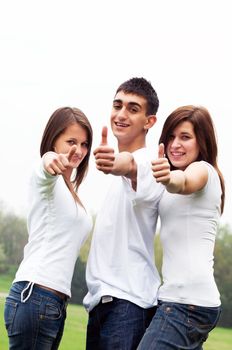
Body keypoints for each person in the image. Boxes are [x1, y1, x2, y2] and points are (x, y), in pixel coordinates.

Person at [83, 77, 164, 349]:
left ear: (149, 121)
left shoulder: (150, 164)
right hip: (102, 304)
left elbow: (128, 164)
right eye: (117, 105)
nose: (121, 114)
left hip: (127, 305)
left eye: (132, 108)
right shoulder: (116, 185)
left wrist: (112, 162)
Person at [4, 106, 93, 349]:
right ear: (53, 141)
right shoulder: (47, 180)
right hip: (35, 296)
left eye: (85, 144)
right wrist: (49, 159)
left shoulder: (68, 189)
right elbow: (42, 169)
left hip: (52, 302)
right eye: (71, 141)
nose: (79, 150)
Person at [138, 105, 225, 350]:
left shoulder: (203, 171)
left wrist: (168, 178)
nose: (175, 144)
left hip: (187, 302)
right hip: (185, 300)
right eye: (171, 137)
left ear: (202, 142)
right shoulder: (170, 186)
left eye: (185, 137)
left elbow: (183, 182)